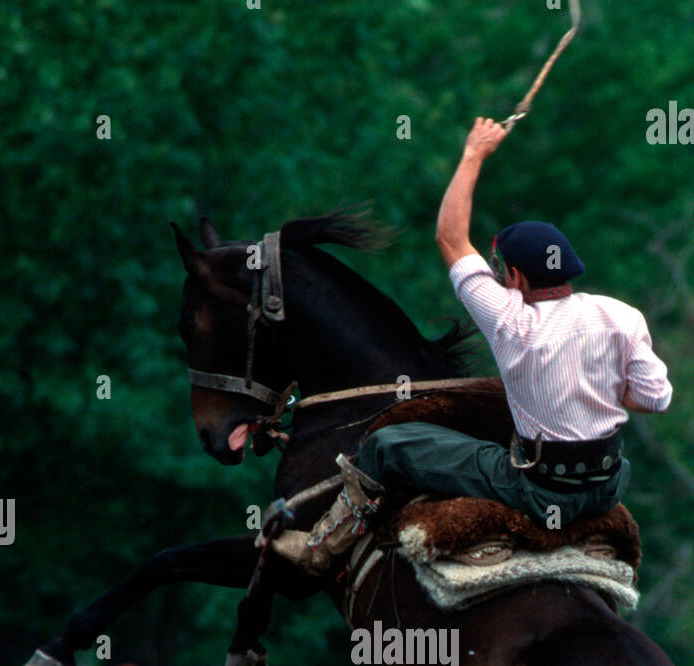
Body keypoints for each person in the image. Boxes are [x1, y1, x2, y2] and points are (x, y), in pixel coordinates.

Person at [275, 116, 672, 572]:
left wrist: (473, 153)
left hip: (540, 492)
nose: (497, 277)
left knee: (388, 444)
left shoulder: (508, 319)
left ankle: (324, 545)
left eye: (501, 270)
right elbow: (654, 399)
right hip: (607, 485)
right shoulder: (623, 316)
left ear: (517, 277)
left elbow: (449, 236)